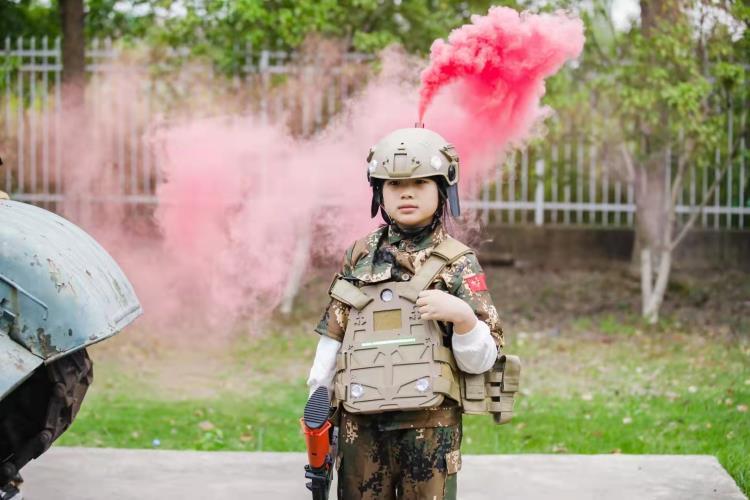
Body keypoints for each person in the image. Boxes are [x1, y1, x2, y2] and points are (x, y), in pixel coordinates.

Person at [306, 126, 506, 500]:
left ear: (443, 187)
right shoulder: (359, 255)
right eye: (395, 185)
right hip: (360, 423)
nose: (407, 192)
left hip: (430, 425)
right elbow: (336, 329)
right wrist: (318, 394)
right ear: (378, 191)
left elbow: (485, 357)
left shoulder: (458, 262)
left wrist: (462, 317)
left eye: (420, 183)